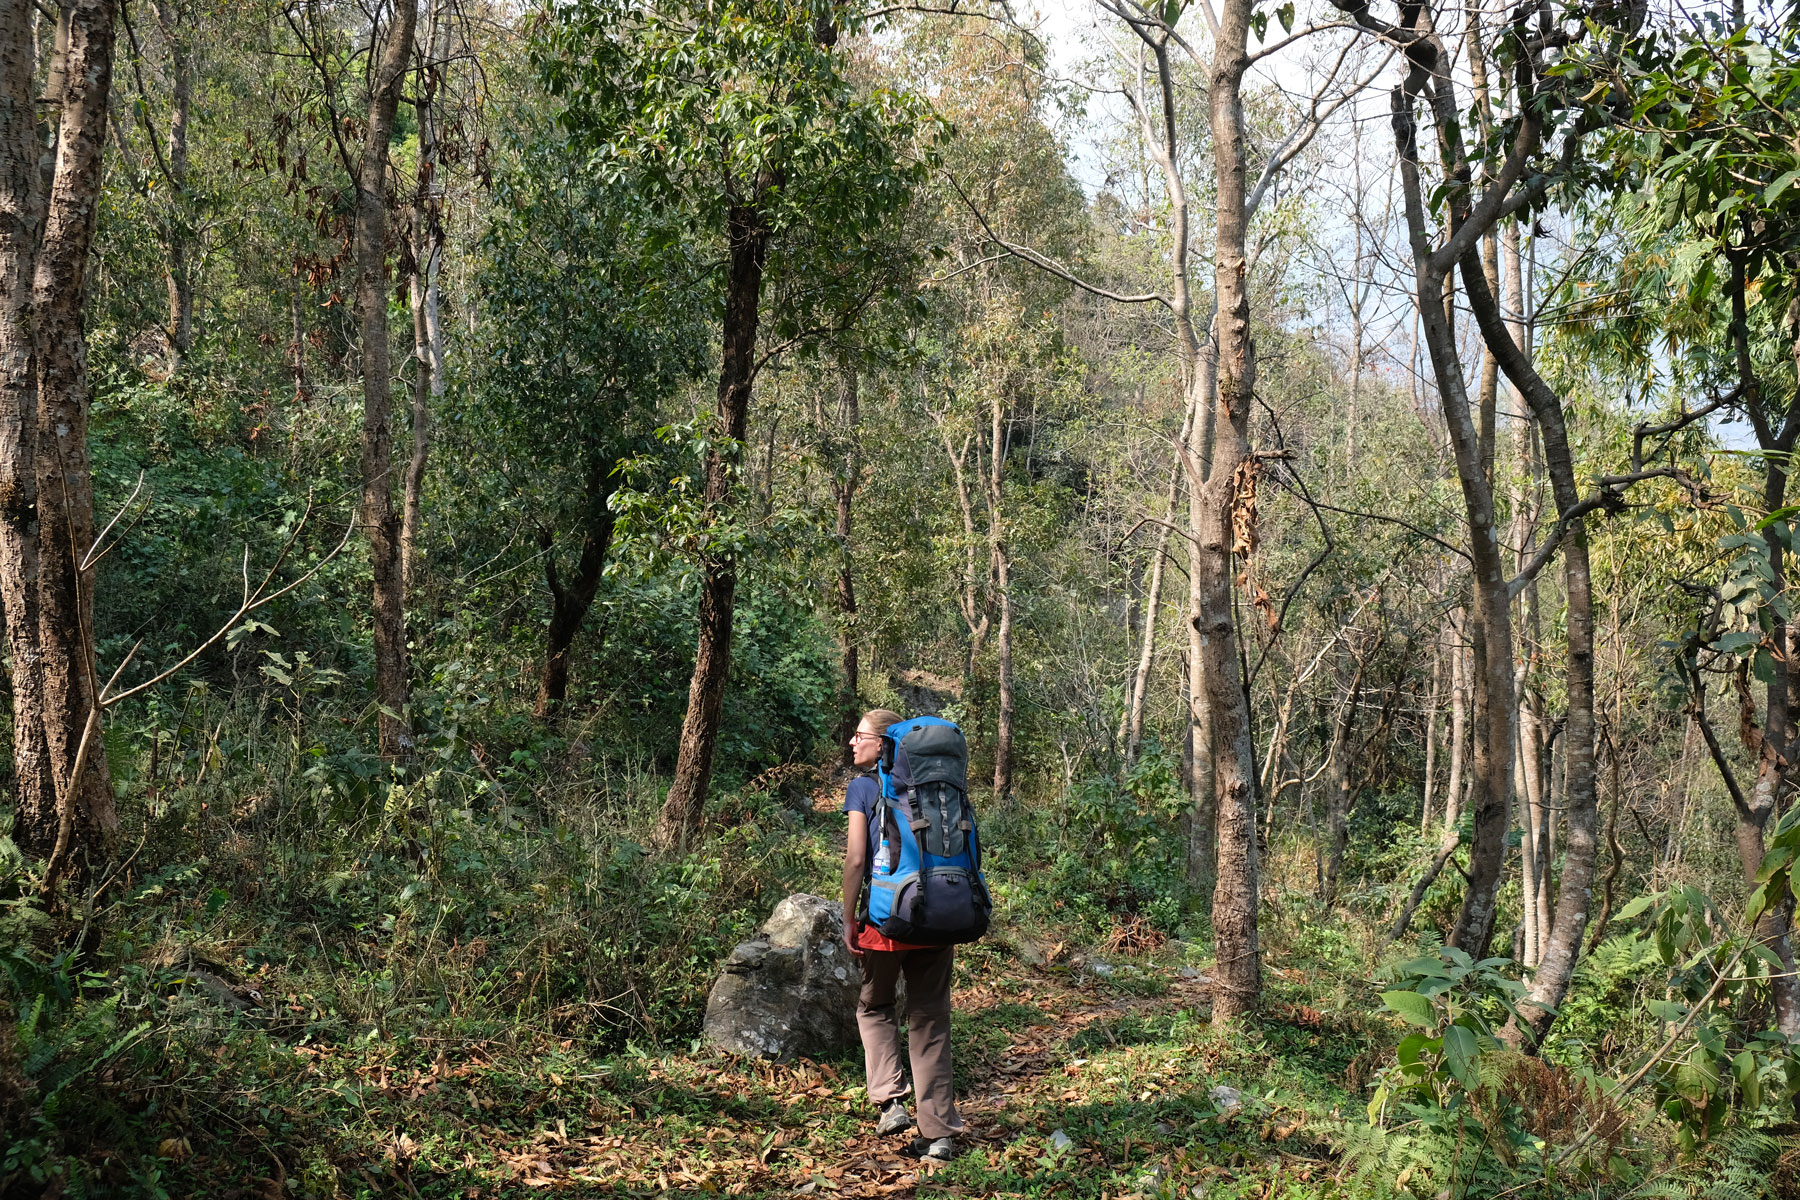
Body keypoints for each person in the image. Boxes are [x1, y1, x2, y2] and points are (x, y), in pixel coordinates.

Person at [840, 708, 964, 1163]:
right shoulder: (939, 787)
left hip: (886, 921)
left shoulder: (864, 787)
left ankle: (891, 1102)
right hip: (938, 915)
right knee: (931, 1017)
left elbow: (856, 860)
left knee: (875, 1007)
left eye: (860, 736)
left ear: (883, 743)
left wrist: (847, 915)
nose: (853, 743)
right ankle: (940, 1134)